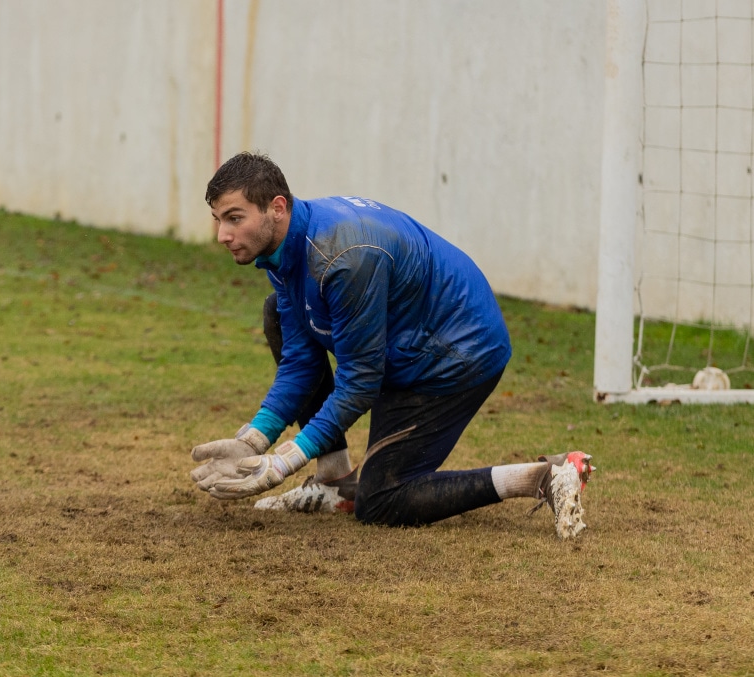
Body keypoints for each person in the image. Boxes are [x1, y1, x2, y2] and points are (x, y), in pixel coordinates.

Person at [189, 152, 594, 538]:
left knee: (381, 500)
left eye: (234, 218)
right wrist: (254, 441)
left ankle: (543, 477)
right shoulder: (285, 245)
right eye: (218, 219)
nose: (223, 234)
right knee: (277, 313)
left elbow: (361, 380)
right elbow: (301, 361)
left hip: (457, 354)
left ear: (277, 207)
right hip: (410, 341)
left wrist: (284, 462)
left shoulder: (342, 257)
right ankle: (335, 483)